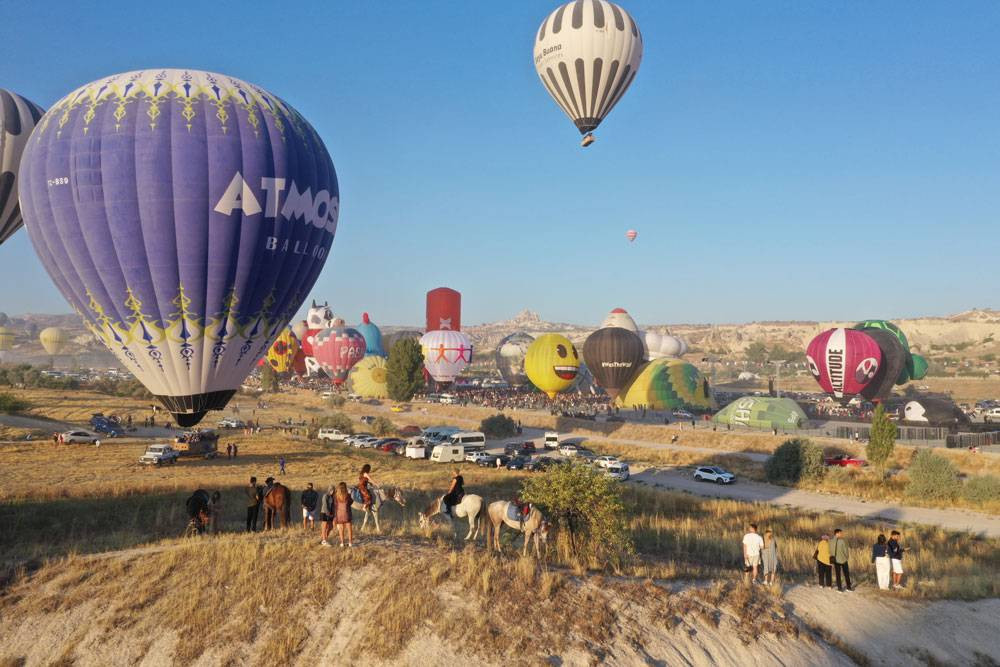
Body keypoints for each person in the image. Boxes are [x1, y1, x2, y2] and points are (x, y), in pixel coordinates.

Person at [334, 482, 354, 547]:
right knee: (349, 529)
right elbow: (351, 502)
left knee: (341, 529)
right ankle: (350, 543)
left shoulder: (336, 496)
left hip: (339, 514)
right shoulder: (348, 495)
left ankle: (342, 543)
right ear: (345, 487)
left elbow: (335, 505)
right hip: (347, 514)